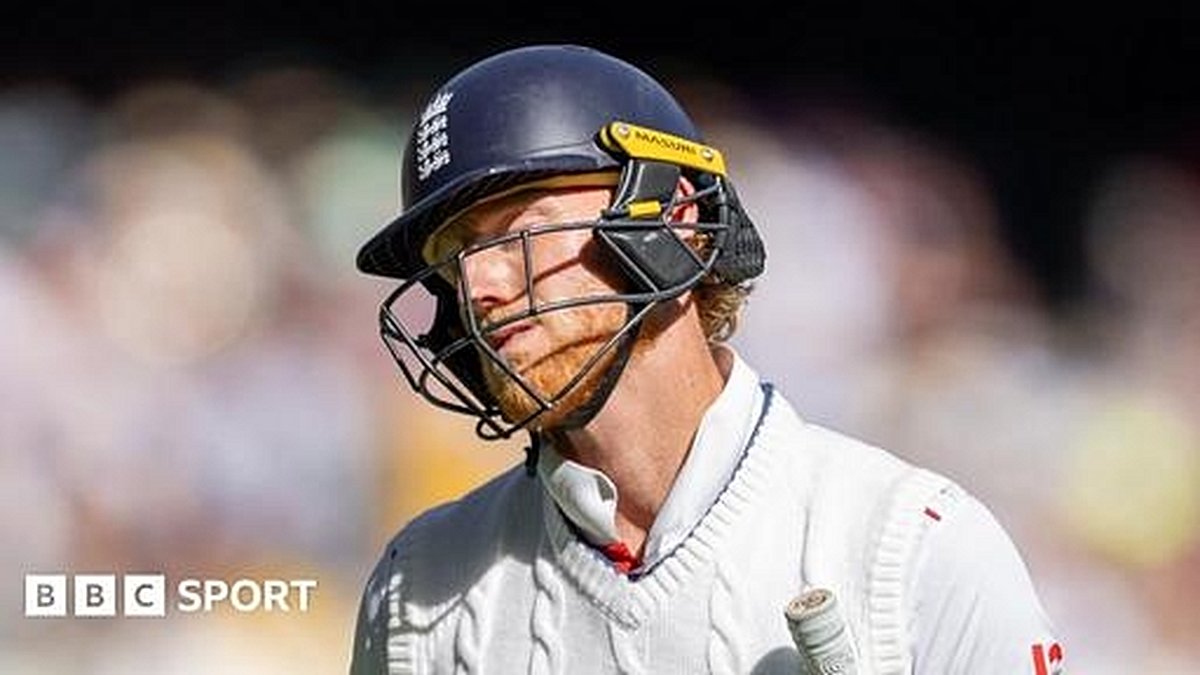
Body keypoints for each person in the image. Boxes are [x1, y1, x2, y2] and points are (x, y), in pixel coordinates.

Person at [349, 44, 1063, 674]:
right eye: (455, 257)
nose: (479, 287)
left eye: (519, 231)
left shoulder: (911, 542)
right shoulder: (415, 588)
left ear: (673, 216)